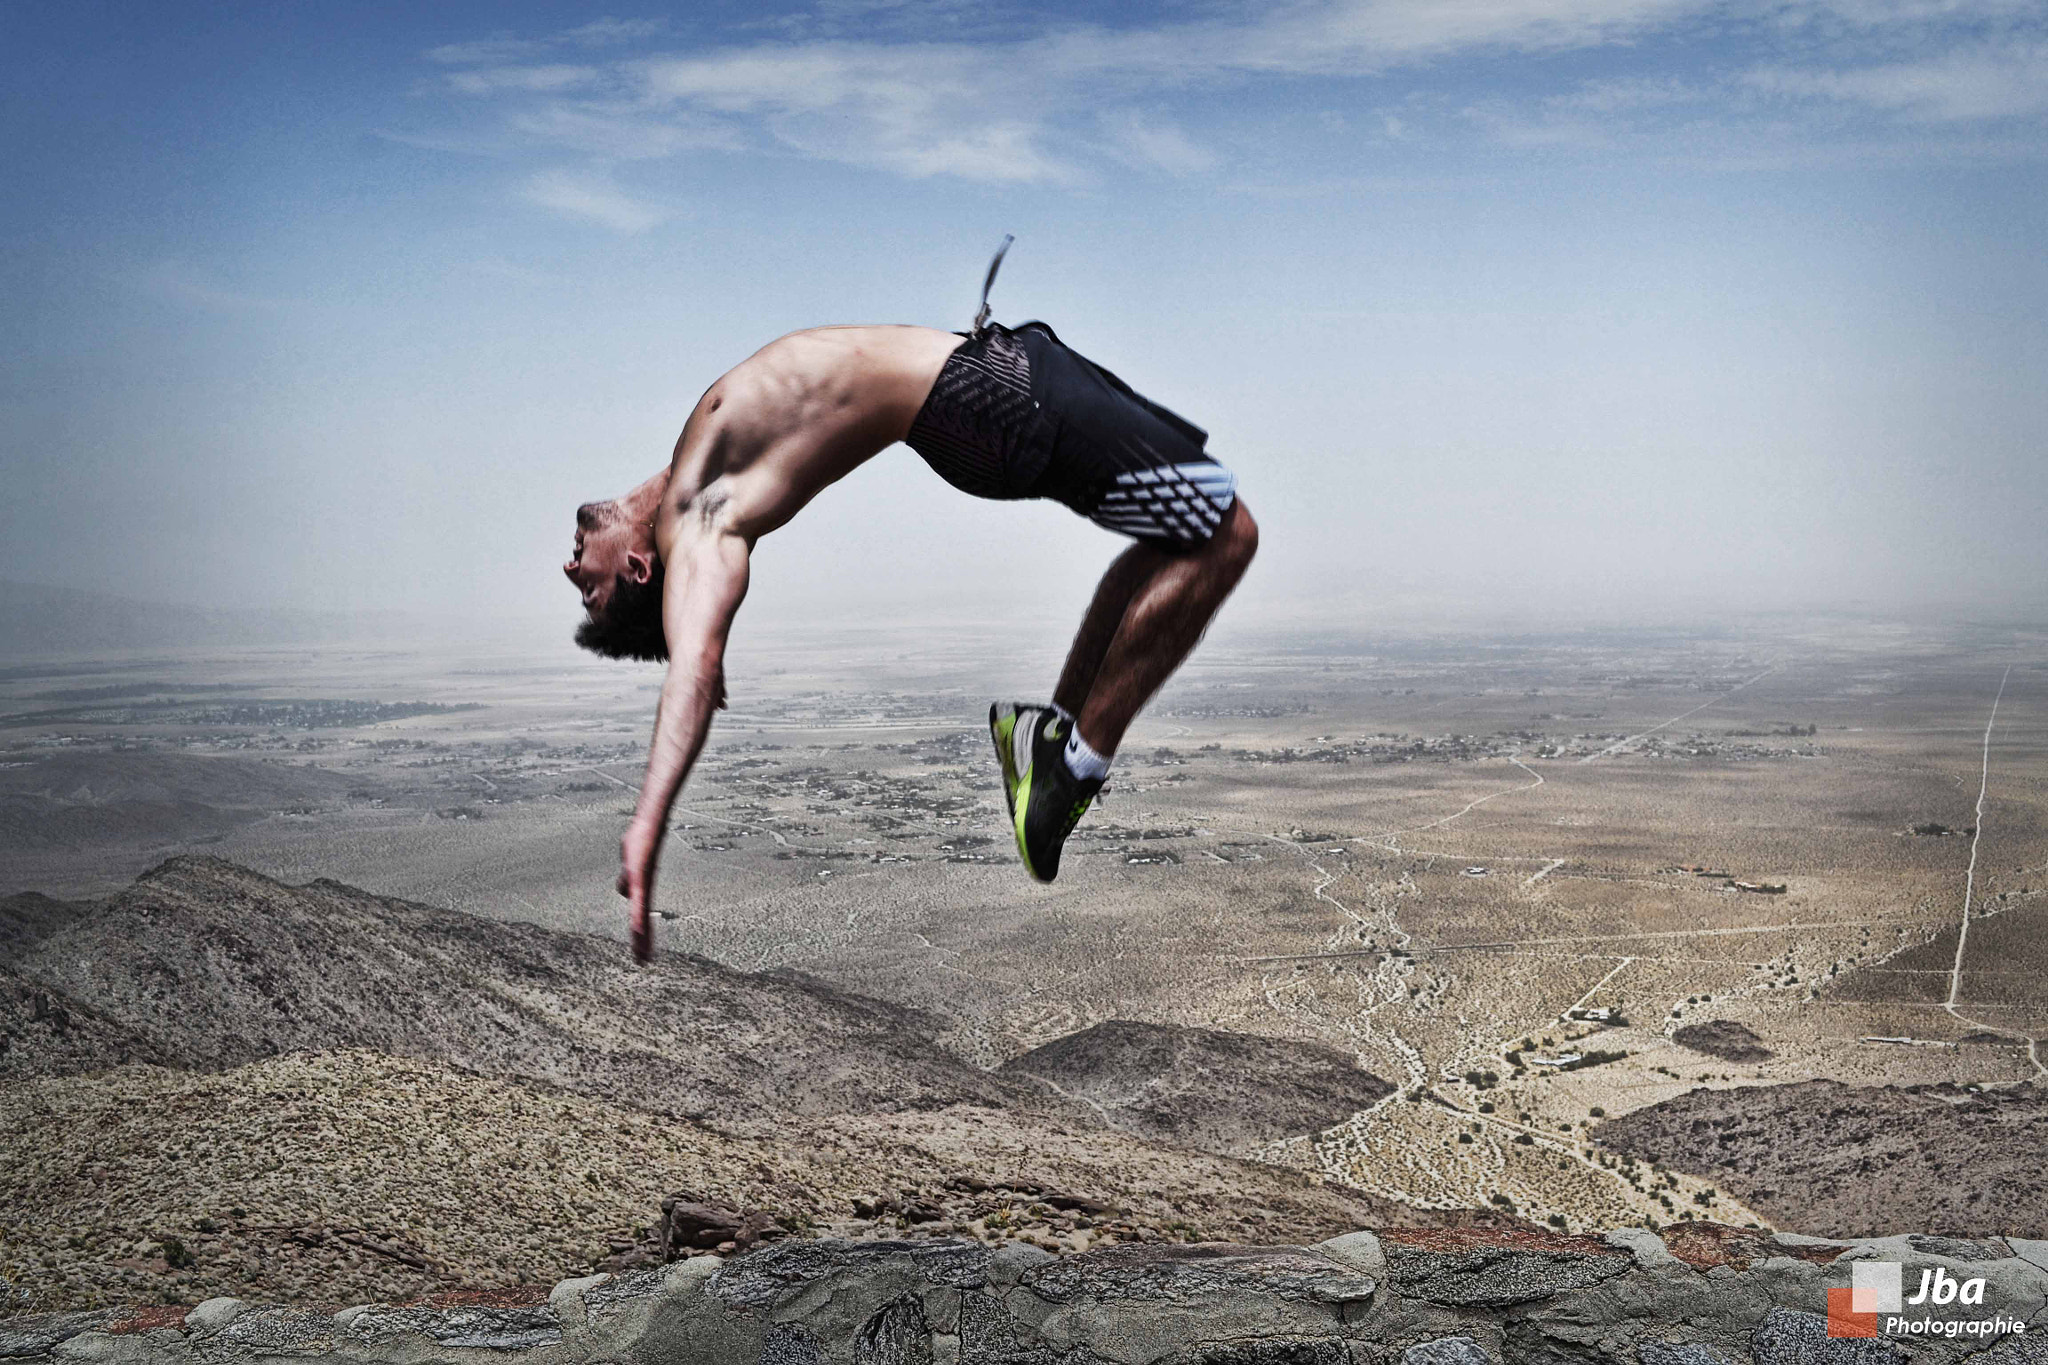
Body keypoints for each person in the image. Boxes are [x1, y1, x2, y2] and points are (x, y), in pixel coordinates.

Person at [565, 266, 1256, 960]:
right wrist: (649, 819)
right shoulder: (699, 526)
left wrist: (682, 637)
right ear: (638, 569)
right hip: (991, 401)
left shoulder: (685, 472)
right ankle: (1071, 773)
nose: (570, 569)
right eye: (588, 592)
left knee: (1183, 534)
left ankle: (1048, 736)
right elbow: (694, 660)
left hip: (994, 378)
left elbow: (690, 640)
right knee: (1230, 536)